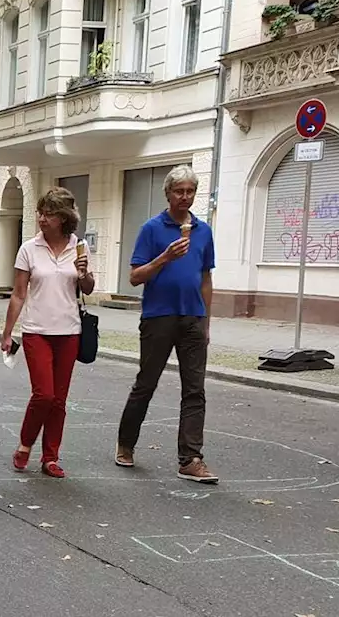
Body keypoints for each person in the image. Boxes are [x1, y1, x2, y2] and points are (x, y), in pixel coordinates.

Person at [115, 164, 218, 484]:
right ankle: (126, 443)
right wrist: (164, 258)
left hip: (193, 318)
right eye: (179, 191)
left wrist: (206, 321)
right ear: (168, 194)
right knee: (146, 383)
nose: (185, 197)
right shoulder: (152, 229)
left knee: (194, 390)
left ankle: (190, 458)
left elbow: (205, 278)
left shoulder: (203, 231)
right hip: (159, 316)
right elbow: (134, 277)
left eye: (190, 192)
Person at [0, 188, 93, 479]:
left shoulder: (79, 247)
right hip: (36, 330)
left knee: (59, 400)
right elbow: (18, 294)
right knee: (44, 394)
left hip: (69, 331)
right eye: (41, 212)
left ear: (64, 218)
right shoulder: (29, 248)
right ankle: (26, 444)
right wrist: (7, 333)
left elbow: (88, 288)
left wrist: (84, 274)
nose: (42, 218)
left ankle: (50, 457)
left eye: (49, 214)